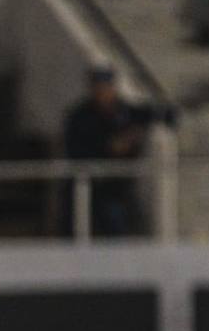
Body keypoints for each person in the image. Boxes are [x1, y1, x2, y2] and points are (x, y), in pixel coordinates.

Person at [63, 66, 154, 237]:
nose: (102, 92)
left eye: (106, 87)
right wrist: (108, 148)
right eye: (98, 88)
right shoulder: (81, 116)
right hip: (89, 186)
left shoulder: (124, 111)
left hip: (117, 189)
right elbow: (76, 151)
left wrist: (133, 136)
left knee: (121, 225)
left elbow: (158, 115)